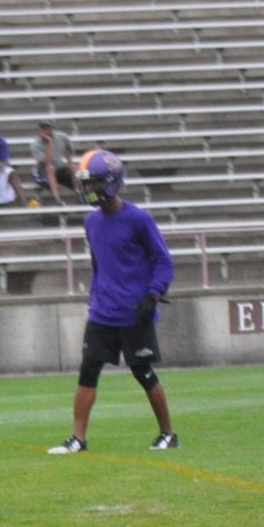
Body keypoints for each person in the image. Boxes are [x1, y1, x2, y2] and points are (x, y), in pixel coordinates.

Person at [49, 150, 176, 454]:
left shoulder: (138, 219)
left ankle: (168, 434)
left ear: (110, 182)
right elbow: (99, 265)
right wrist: (95, 296)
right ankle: (78, 439)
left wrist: (153, 295)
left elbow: (163, 261)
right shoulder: (91, 222)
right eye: (85, 183)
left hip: (134, 311)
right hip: (103, 311)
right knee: (88, 371)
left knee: (143, 372)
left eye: (92, 182)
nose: (87, 189)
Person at [33, 121, 77, 206]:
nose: (46, 130)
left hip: (59, 168)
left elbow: (70, 150)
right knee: (50, 168)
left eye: (48, 128)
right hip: (43, 172)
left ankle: (81, 193)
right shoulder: (36, 145)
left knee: (76, 168)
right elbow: (47, 162)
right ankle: (57, 200)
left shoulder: (62, 137)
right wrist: (50, 143)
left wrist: (69, 161)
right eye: (43, 128)